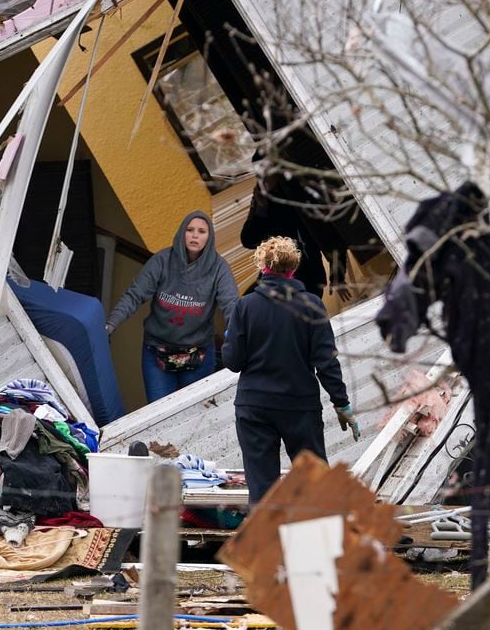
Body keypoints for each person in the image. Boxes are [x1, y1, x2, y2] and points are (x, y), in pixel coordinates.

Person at [222, 236, 358, 505]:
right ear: (293, 269)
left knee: (262, 490)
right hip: (300, 407)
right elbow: (326, 361)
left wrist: (231, 337)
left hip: (254, 406)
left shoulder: (245, 306)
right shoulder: (311, 304)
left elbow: (233, 362)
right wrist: (341, 404)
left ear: (262, 268)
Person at [105, 211, 239, 404]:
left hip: (198, 355)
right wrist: (111, 324)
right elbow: (135, 295)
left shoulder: (219, 268)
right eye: (190, 230)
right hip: (157, 353)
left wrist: (238, 335)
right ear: (182, 233)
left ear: (209, 237)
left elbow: (231, 305)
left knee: (195, 413)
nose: (195, 235)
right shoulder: (162, 261)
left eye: (201, 231)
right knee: (159, 413)